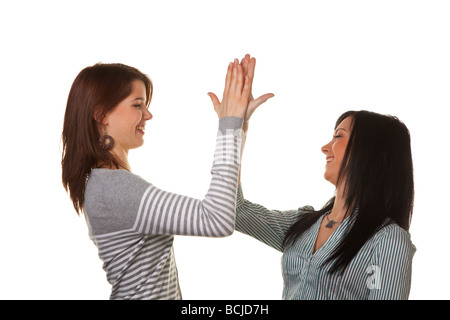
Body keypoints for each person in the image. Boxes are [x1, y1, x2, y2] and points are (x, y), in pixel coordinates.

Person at [61, 56, 272, 299]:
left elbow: (225, 211)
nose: (148, 115)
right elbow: (217, 219)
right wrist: (229, 123)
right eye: (138, 105)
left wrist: (239, 126)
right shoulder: (113, 186)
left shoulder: (105, 183)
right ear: (102, 114)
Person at [235, 109, 416, 299]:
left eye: (338, 136)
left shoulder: (387, 240)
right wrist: (234, 130)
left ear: (369, 152)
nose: (325, 147)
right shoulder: (303, 224)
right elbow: (234, 212)